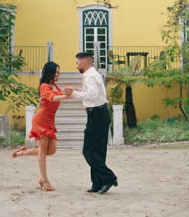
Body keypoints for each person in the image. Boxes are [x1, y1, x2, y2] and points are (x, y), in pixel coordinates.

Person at [63, 52, 118, 194]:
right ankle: (97, 183)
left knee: (88, 151)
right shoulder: (91, 75)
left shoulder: (91, 76)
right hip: (98, 113)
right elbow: (92, 93)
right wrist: (76, 90)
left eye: (77, 63)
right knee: (97, 151)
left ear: (83, 62)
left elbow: (92, 96)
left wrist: (73, 94)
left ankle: (108, 178)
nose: (76, 66)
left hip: (97, 114)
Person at [12, 61, 70, 191]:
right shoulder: (44, 86)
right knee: (43, 151)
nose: (58, 75)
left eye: (59, 72)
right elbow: (53, 99)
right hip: (41, 120)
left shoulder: (53, 85)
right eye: (57, 72)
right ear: (50, 72)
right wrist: (67, 97)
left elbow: (58, 95)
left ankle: (23, 152)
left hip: (50, 120)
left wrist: (74, 91)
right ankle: (44, 180)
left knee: (51, 150)